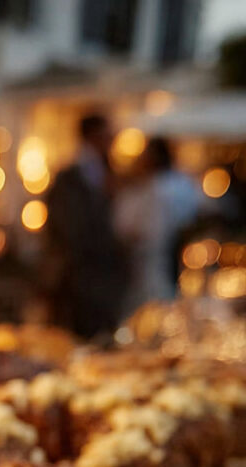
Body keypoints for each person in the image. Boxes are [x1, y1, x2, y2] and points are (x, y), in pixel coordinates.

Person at [44, 113, 127, 339]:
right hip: (81, 279)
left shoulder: (105, 171)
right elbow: (70, 228)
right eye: (106, 134)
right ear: (93, 136)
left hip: (100, 278)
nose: (111, 139)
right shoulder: (71, 177)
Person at [114, 136, 201, 312]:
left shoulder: (157, 189)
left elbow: (143, 229)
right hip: (155, 261)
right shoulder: (176, 184)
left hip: (157, 259)